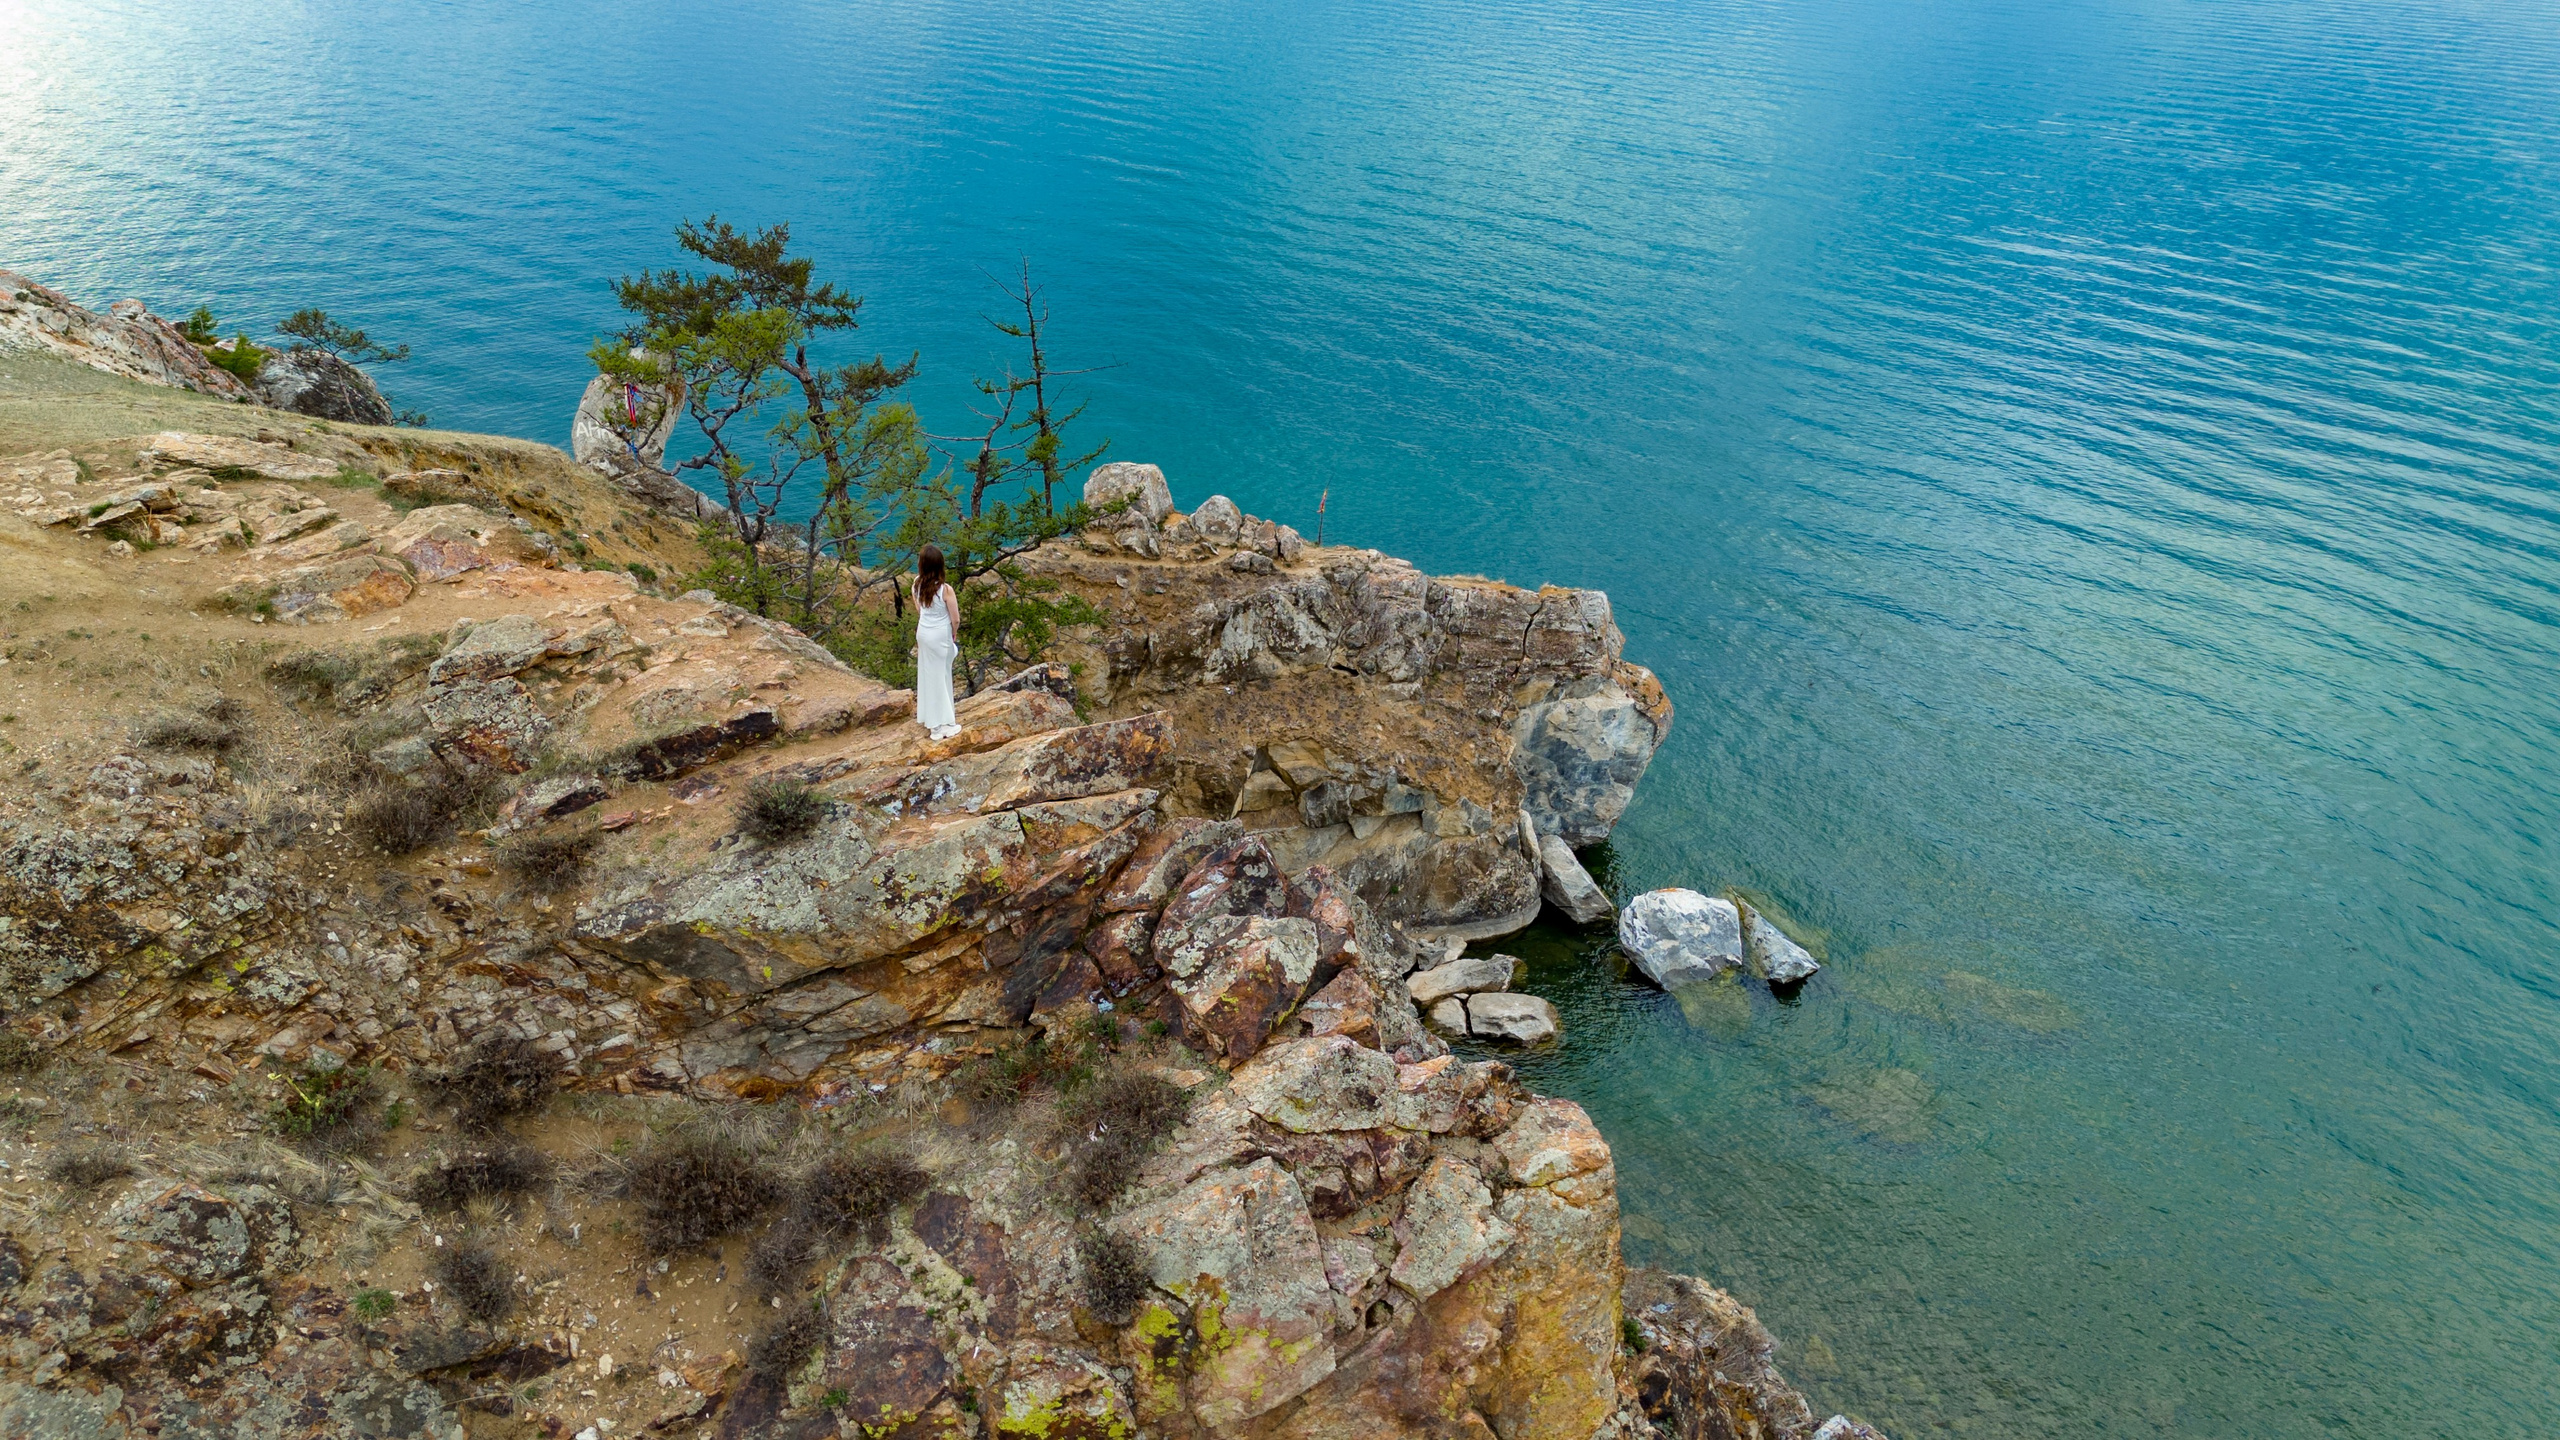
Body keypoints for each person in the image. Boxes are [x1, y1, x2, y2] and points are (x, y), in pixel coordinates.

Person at [913, 544, 960, 740]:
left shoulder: (916, 583)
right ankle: (942, 725)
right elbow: (955, 618)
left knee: (928, 675)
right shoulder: (945, 590)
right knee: (941, 676)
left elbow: (920, 609)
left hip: (923, 633)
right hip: (940, 636)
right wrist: (953, 633)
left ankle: (931, 719)